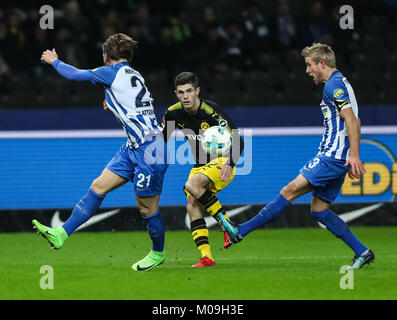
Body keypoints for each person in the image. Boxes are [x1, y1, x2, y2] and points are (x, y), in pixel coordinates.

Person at [220, 43, 375, 270]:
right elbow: (355, 119)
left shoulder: (333, 86)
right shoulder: (340, 82)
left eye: (309, 65)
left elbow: (351, 119)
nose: (307, 70)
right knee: (319, 210)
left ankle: (240, 231)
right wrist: (351, 155)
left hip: (332, 157)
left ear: (322, 63)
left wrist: (354, 155)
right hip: (336, 157)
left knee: (288, 191)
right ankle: (362, 251)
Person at [32, 33, 168, 272]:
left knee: (147, 207)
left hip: (151, 150)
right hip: (134, 147)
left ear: (107, 55)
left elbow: (74, 74)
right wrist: (113, 105)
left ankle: (158, 253)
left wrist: (54, 60)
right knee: (98, 186)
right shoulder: (134, 74)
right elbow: (134, 105)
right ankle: (61, 233)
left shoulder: (111, 72)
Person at [162, 72, 244, 267]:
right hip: (200, 166)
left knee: (192, 185)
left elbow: (238, 139)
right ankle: (207, 257)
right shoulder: (173, 113)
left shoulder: (211, 111)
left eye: (189, 91)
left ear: (197, 91)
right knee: (192, 204)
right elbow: (161, 139)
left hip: (222, 162)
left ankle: (226, 223)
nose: (185, 96)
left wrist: (230, 163)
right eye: (181, 92)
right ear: (176, 93)